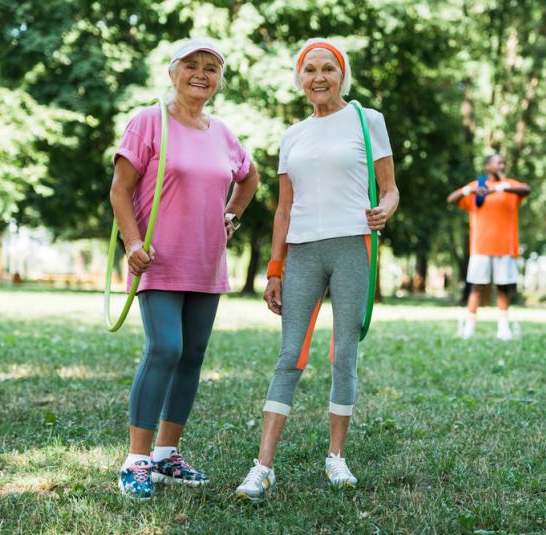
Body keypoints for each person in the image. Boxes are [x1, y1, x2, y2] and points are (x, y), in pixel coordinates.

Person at [234, 37, 398, 502]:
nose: (319, 77)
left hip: (351, 246)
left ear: (341, 74)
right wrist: (274, 268)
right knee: (290, 356)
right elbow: (284, 209)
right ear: (300, 78)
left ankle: (336, 457)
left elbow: (390, 189)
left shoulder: (368, 122)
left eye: (328, 68)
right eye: (310, 70)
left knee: (343, 352)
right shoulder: (293, 135)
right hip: (302, 250)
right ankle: (262, 467)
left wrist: (385, 209)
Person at [109, 38, 259, 499]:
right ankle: (135, 460)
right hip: (158, 258)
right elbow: (120, 189)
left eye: (210, 68)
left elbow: (249, 177)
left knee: (192, 356)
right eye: (191, 65)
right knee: (165, 349)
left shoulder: (223, 132)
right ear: (173, 72)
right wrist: (133, 242)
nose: (201, 74)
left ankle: (166, 454)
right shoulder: (148, 121)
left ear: (219, 79)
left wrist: (230, 215)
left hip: (207, 260)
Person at [447, 154, 531, 340]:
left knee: (503, 288)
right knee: (477, 287)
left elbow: (527, 188)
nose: (502, 165)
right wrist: (470, 191)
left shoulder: (510, 185)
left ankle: (503, 329)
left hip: (505, 247)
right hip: (480, 247)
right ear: (487, 166)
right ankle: (469, 327)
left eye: (503, 162)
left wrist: (500, 187)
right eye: (498, 162)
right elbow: (451, 198)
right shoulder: (478, 186)